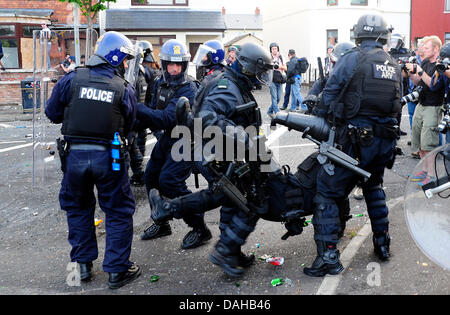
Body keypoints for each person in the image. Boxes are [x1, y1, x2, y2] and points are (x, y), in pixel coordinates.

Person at [149, 42, 280, 277]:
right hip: (219, 154)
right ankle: (226, 251)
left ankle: (170, 209)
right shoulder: (226, 86)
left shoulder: (228, 80)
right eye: (260, 71)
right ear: (248, 67)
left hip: (218, 153)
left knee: (226, 198)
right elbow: (209, 117)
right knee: (249, 201)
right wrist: (243, 139)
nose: (261, 76)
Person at [303, 13, 403, 277]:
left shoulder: (351, 58)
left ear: (358, 34)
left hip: (354, 141)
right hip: (383, 142)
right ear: (383, 35)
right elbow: (398, 107)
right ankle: (383, 245)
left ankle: (328, 258)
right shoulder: (393, 64)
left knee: (327, 193)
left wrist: (322, 115)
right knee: (374, 187)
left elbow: (330, 95)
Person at [45, 31, 141, 289]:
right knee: (118, 211)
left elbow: (51, 112)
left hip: (74, 157)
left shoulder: (72, 79)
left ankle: (83, 266)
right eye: (124, 60)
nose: (124, 65)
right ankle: (117, 271)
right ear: (116, 57)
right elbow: (131, 123)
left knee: (78, 208)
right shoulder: (123, 87)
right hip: (109, 158)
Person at [138, 39, 210, 250]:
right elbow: (152, 112)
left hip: (186, 140)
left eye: (179, 64)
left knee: (169, 181)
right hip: (168, 138)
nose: (175, 68)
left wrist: (136, 108)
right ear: (165, 64)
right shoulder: (159, 83)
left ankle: (199, 227)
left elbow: (165, 117)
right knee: (150, 176)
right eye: (171, 64)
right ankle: (161, 222)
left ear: (184, 65)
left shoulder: (189, 88)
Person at [406, 36, 446, 186]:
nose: (424, 50)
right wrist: (410, 72)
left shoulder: (440, 66)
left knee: (429, 144)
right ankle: (423, 171)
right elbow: (419, 82)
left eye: (427, 48)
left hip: (433, 107)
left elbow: (433, 85)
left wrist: (420, 70)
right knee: (420, 141)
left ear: (436, 49)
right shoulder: (425, 62)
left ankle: (431, 175)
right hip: (421, 105)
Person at [430, 43, 450, 144]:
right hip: (448, 113)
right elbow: (434, 87)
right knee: (448, 149)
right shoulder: (443, 70)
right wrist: (438, 71)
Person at [268, 42, 287, 119]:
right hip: (271, 80)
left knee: (278, 98)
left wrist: (279, 66)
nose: (274, 50)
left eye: (275, 49)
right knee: (274, 97)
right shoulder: (269, 57)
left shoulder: (281, 57)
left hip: (279, 79)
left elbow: (286, 68)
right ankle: (277, 112)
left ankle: (269, 111)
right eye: (273, 49)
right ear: (271, 50)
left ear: (277, 49)